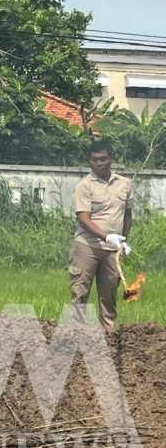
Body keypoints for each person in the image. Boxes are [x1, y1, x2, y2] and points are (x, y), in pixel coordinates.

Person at [69, 140, 133, 332]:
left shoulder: (124, 184)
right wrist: (106, 236)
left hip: (112, 250)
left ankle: (108, 335)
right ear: (89, 161)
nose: (99, 163)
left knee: (109, 295)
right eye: (95, 160)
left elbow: (127, 215)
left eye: (103, 159)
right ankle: (77, 335)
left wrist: (123, 240)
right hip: (87, 247)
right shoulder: (84, 186)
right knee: (80, 293)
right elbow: (83, 219)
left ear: (111, 159)